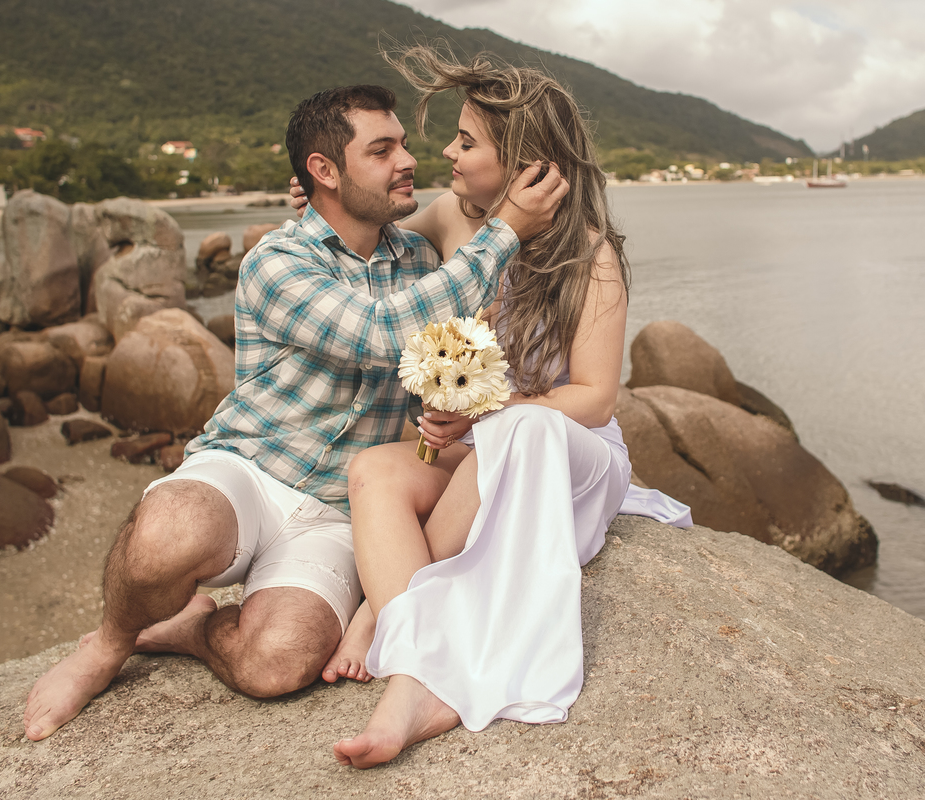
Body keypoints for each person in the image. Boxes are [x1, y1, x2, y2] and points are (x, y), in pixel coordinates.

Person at [21, 84, 571, 742]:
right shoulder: (277, 262)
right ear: (324, 171)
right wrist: (507, 229)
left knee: (277, 663)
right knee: (169, 531)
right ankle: (108, 645)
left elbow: (436, 367)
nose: (408, 161)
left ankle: (194, 626)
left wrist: (456, 411)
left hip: (338, 511)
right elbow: (379, 332)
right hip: (249, 472)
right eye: (382, 149)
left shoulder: (421, 264)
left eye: (402, 144)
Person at [286, 47, 692, 769]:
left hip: (561, 450)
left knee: (522, 425)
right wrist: (327, 202)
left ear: (527, 165)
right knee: (377, 473)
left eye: (466, 142)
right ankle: (413, 655)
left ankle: (388, 630)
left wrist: (482, 417)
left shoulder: (589, 256)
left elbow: (595, 398)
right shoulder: (454, 217)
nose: (445, 151)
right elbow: (374, 243)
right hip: (479, 446)